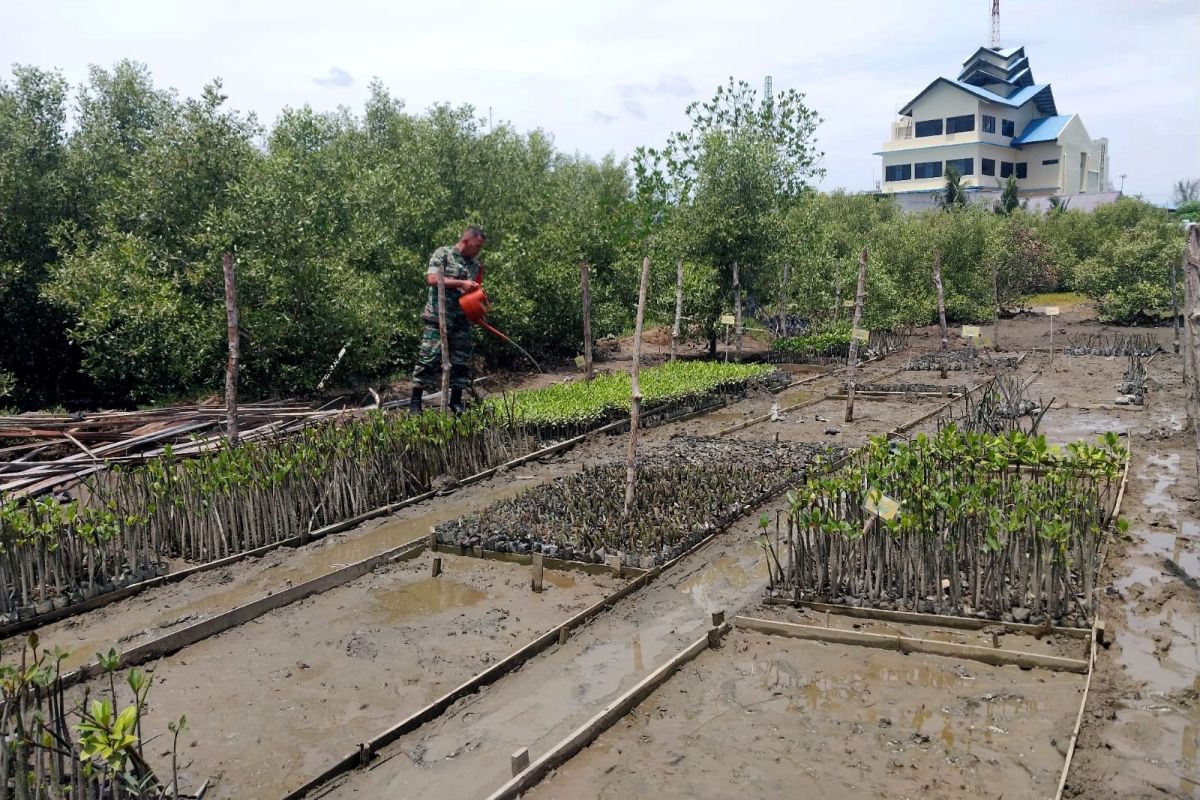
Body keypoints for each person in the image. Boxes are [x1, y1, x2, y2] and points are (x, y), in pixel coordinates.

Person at [410, 226, 485, 414]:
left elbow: (474, 293)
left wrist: (479, 307)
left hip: (461, 320)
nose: (478, 250)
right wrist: (460, 283)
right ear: (466, 241)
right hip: (438, 317)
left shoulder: (475, 265)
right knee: (428, 358)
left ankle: (456, 402)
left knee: (461, 361)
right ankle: (415, 403)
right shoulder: (443, 254)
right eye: (477, 246)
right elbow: (432, 279)